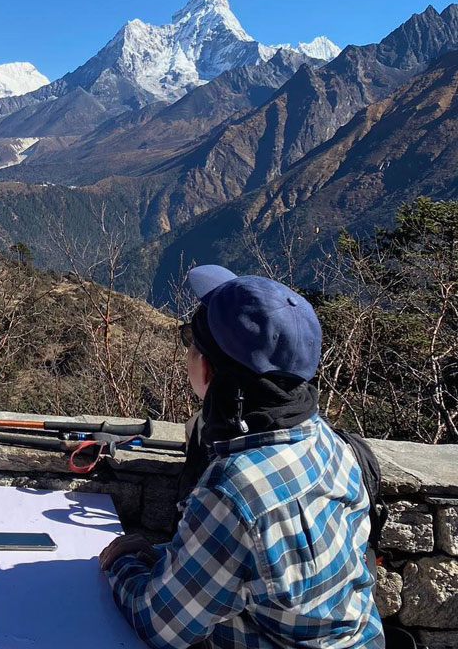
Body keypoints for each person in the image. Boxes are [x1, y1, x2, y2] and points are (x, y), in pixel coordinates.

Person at [99, 266, 384, 648]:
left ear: (208, 368)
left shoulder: (233, 491)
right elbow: (264, 564)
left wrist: (119, 563)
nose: (187, 351)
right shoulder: (330, 442)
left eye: (191, 340)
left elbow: (160, 626)